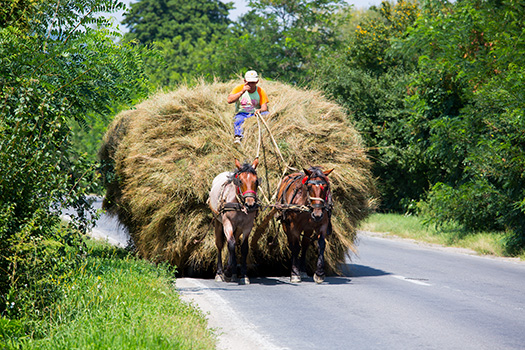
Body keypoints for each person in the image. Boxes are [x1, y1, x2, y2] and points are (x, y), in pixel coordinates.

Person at [227, 70, 269, 144]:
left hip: (255, 114)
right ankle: (238, 137)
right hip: (242, 113)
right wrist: (242, 92)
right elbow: (229, 100)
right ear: (244, 81)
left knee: (267, 114)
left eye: (253, 82)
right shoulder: (239, 88)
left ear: (257, 82)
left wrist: (259, 110)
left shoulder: (260, 91)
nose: (251, 84)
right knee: (238, 120)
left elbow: (264, 107)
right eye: (248, 82)